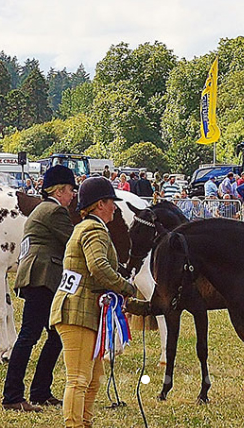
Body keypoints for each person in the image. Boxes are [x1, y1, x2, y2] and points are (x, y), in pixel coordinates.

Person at [50, 176, 150, 428]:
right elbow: (99, 267)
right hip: (77, 311)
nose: (115, 207)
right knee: (79, 379)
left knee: (93, 378)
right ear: (98, 204)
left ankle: (85, 423)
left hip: (83, 311)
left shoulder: (87, 228)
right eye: (111, 202)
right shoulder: (94, 229)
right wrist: (128, 288)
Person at [2, 166, 78, 412]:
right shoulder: (55, 211)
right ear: (59, 190)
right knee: (29, 337)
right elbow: (75, 243)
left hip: (39, 277)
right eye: (70, 190)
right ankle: (13, 395)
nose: (73, 195)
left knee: (53, 335)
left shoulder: (42, 209)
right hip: (42, 278)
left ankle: (40, 391)